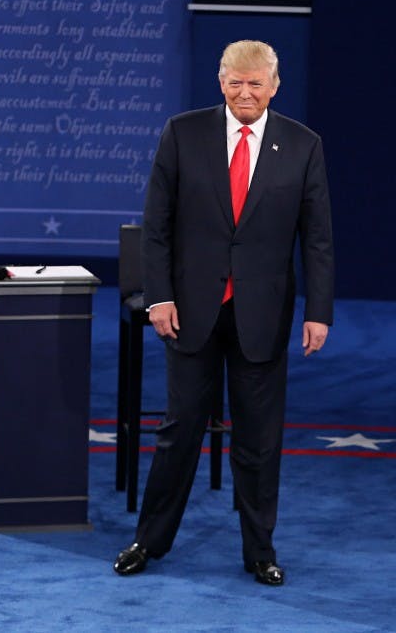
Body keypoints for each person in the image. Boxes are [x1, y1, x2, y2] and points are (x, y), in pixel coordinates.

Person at [113, 40, 334, 586]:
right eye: (236, 81)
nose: (245, 92)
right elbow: (156, 224)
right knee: (179, 429)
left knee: (259, 439)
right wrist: (158, 295)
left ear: (274, 86)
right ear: (221, 82)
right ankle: (149, 539)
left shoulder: (303, 145)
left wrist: (319, 310)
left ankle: (260, 551)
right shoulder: (182, 133)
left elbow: (318, 238)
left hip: (262, 314)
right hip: (190, 311)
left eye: (256, 82)